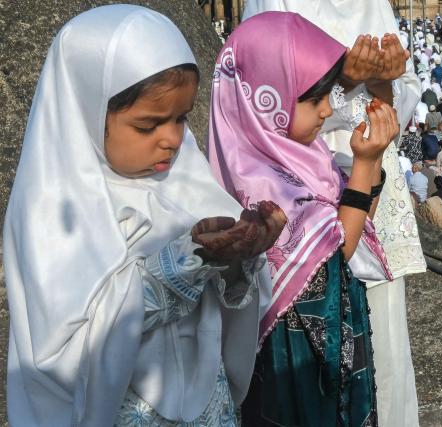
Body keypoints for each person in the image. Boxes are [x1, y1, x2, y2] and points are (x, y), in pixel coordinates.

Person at [4, 5, 284, 426]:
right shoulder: (53, 211)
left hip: (209, 404)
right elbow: (65, 347)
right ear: (87, 112)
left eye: (181, 119)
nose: (172, 139)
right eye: (148, 126)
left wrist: (238, 257)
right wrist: (184, 266)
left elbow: (237, 308)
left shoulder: (192, 185)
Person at [242, 6, 428, 426]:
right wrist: (343, 81)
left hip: (369, 168)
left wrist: (383, 80)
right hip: (299, 179)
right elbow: (267, 98)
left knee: (379, 334)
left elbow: (403, 93)